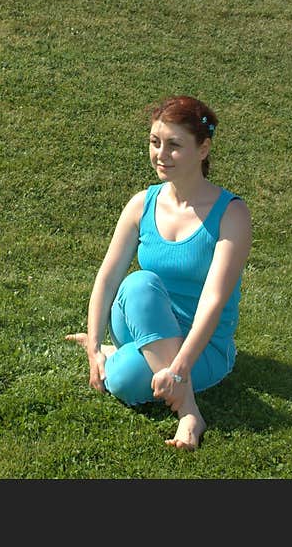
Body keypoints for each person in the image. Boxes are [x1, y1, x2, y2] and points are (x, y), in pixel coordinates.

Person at [65, 95, 252, 450]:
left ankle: (137, 360)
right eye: (155, 142)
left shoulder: (232, 215)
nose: (161, 154)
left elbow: (213, 302)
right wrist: (92, 346)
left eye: (174, 145)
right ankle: (189, 412)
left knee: (120, 379)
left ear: (203, 149)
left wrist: (179, 367)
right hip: (143, 314)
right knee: (138, 283)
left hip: (205, 348)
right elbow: (107, 278)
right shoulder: (142, 203)